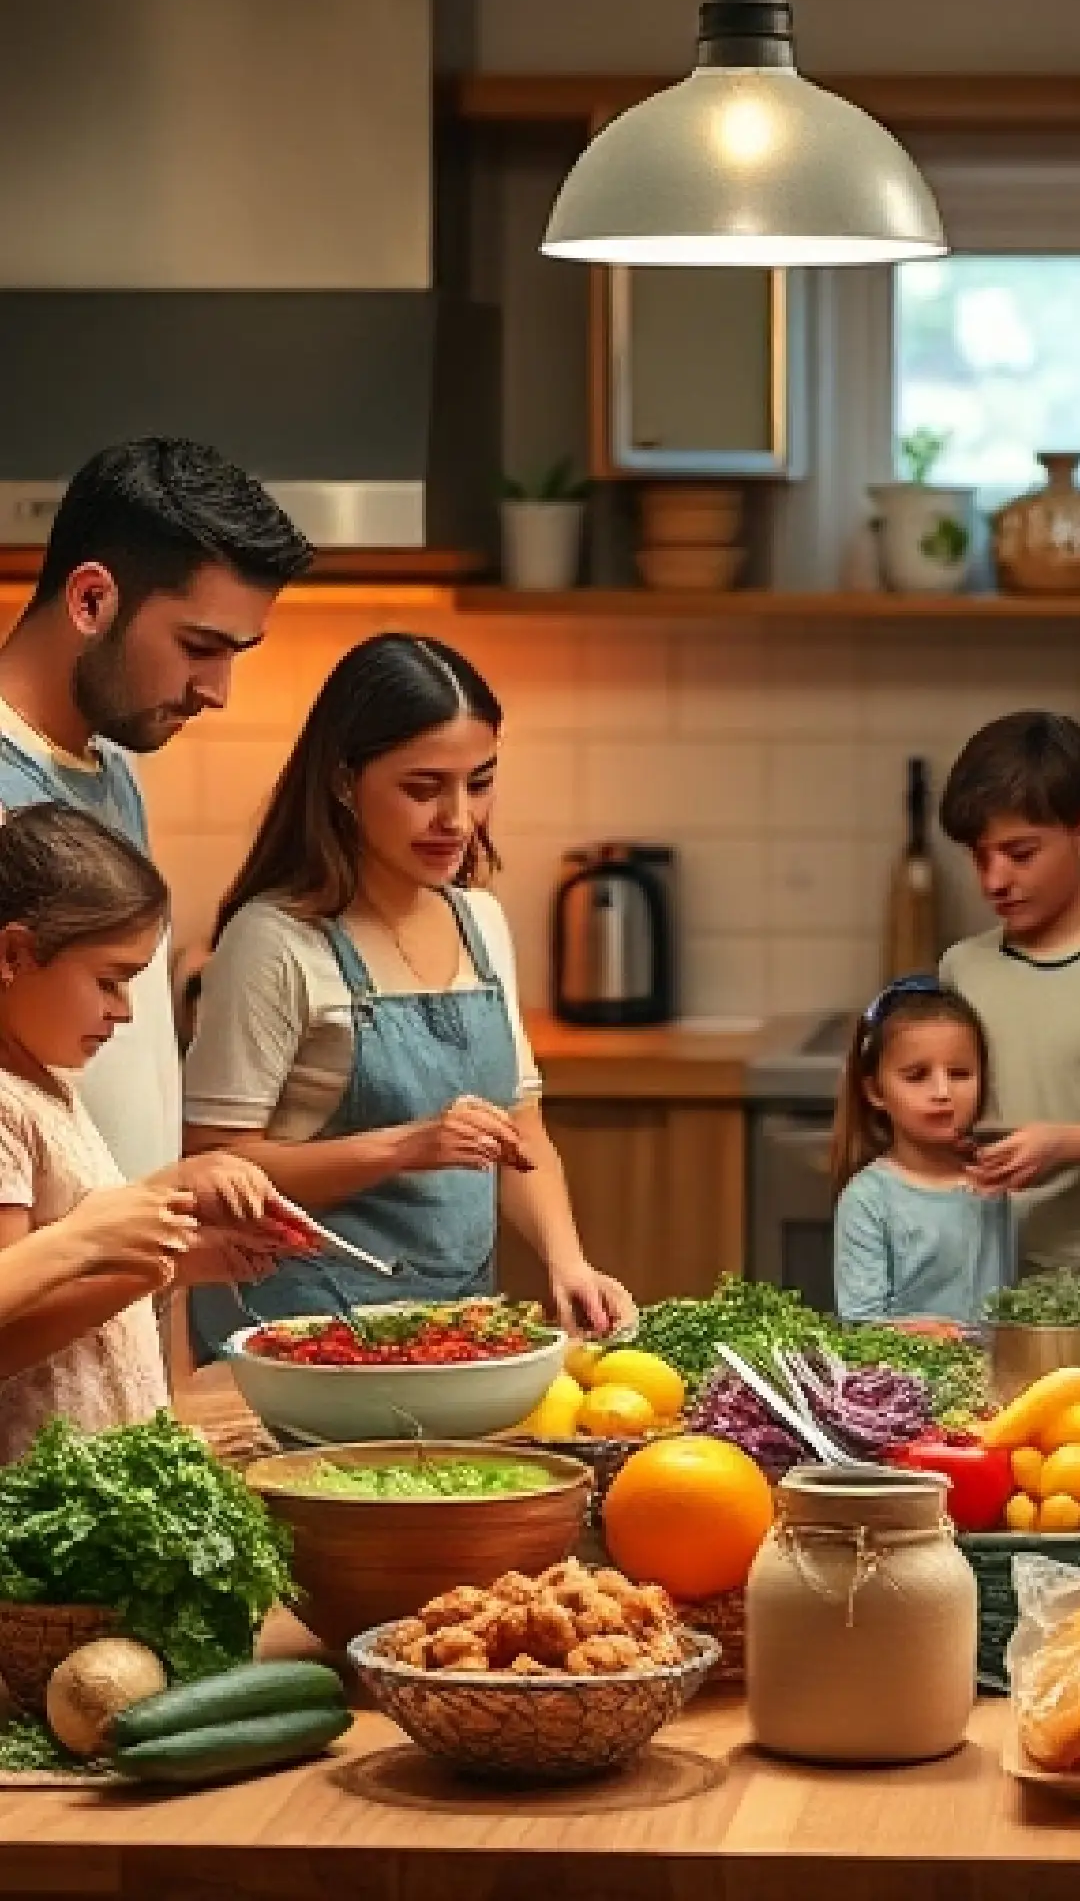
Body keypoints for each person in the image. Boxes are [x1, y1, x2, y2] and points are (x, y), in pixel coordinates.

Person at [183, 632, 636, 1351]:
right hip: (299, 1337)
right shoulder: (275, 941)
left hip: (456, 1331)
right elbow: (214, 1169)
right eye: (422, 788)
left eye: (479, 783)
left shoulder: (480, 921)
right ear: (341, 781)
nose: (457, 818)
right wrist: (404, 1147)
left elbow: (524, 1133)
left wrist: (567, 1260)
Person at [0, 436, 313, 1186]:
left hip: (120, 1271)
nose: (218, 689)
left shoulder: (116, 767)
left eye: (237, 652)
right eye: (199, 645)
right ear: (91, 600)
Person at [0, 803, 284, 1460]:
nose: (124, 1012)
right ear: (13, 953)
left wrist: (169, 1245)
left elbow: (59, 1267)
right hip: (39, 1490)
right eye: (110, 981)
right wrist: (98, 1240)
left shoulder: (49, 1085)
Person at [939, 710, 1080, 1273]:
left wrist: (1066, 1143)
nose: (994, 881)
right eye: (980, 857)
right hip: (990, 1286)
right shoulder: (963, 970)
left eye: (1021, 854)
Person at [831, 977, 1014, 1324]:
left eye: (960, 1074)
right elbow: (860, 1326)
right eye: (917, 1076)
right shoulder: (869, 1199)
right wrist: (921, 1335)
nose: (943, 1091)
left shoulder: (993, 1182)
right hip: (909, 1377)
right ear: (875, 1091)